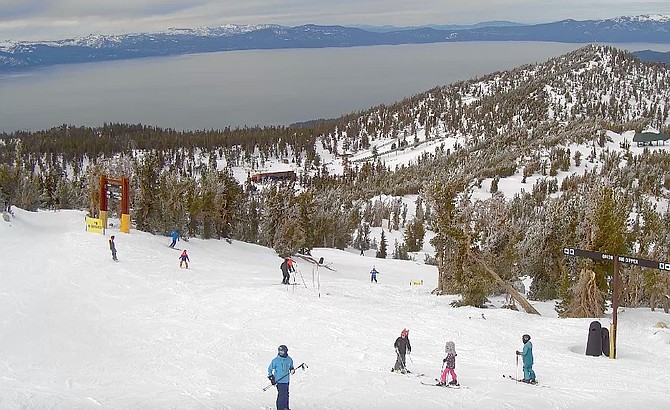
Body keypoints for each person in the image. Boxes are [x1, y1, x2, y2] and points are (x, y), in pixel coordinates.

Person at [267, 344, 295, 410]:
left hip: (286, 380)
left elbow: (291, 367)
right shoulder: (275, 360)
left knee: (286, 395)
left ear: (286, 351)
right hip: (279, 381)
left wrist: (292, 370)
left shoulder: (289, 359)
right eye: (280, 351)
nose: (281, 353)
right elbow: (269, 369)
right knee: (282, 395)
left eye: (282, 352)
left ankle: (286, 407)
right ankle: (280, 408)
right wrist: (272, 378)